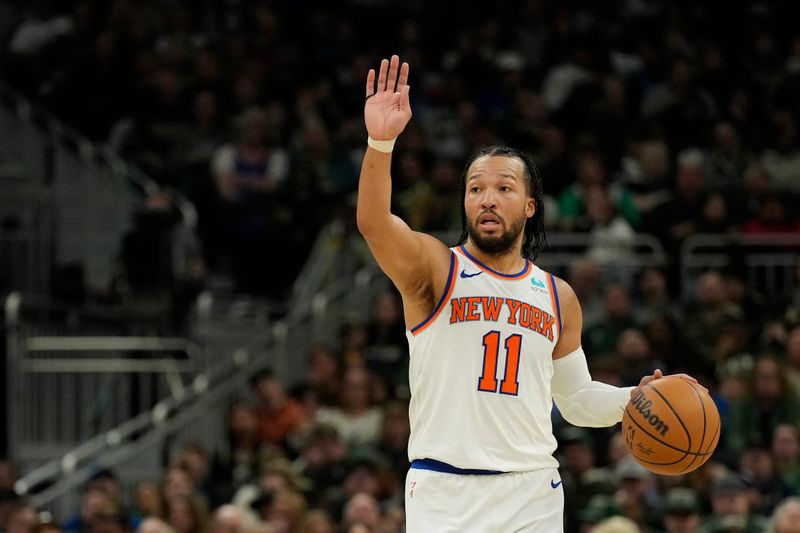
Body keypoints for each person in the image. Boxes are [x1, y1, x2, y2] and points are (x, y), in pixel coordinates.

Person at [356, 54, 701, 532]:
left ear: (531, 206)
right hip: (445, 492)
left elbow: (576, 398)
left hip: (532, 493)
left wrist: (632, 400)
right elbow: (374, 223)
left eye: (503, 187)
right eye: (475, 189)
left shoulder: (558, 296)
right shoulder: (435, 269)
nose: (488, 198)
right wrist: (381, 142)